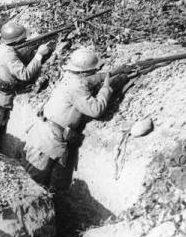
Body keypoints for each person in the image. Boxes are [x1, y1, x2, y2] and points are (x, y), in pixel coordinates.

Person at [22, 49, 124, 192]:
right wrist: (106, 87)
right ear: (83, 72)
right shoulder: (77, 86)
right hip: (47, 142)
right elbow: (96, 109)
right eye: (92, 71)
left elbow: (88, 81)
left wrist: (106, 75)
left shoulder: (70, 76)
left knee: (43, 183)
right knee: (32, 185)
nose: (94, 72)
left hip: (44, 134)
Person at [0, 22, 51, 148]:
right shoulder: (9, 54)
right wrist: (39, 55)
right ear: (16, 41)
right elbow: (24, 74)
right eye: (23, 39)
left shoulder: (2, 47)